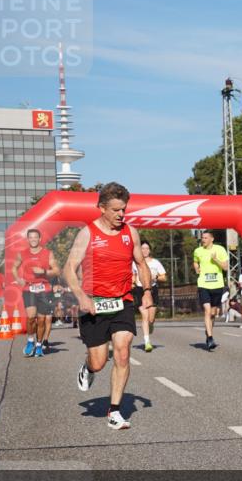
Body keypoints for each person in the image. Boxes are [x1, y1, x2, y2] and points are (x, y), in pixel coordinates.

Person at [63, 182, 153, 431]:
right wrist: (81, 296)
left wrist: (146, 292)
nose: (121, 214)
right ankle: (88, 367)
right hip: (94, 303)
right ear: (101, 208)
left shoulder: (130, 233)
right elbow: (69, 268)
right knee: (99, 361)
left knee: (123, 350)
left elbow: (141, 264)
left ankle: (115, 411)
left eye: (123, 209)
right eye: (115, 210)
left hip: (122, 300)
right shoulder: (88, 233)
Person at [13, 229, 61, 357]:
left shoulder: (48, 253)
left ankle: (39, 345)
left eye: (35, 237)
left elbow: (57, 270)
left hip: (44, 289)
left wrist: (44, 272)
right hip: (29, 288)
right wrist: (18, 279)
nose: (33, 239)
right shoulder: (22, 254)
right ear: (28, 239)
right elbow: (14, 267)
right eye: (31, 237)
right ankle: (30, 341)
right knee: (30, 317)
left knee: (41, 320)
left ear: (40, 239)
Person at [193, 230, 228, 351]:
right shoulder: (198, 251)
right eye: (202, 238)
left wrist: (216, 259)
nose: (203, 240)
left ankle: (208, 332)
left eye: (206, 238)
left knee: (213, 313)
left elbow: (225, 267)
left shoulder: (220, 249)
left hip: (217, 284)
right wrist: (197, 268)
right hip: (203, 284)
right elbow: (195, 261)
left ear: (212, 239)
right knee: (207, 311)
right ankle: (210, 337)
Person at [131, 242, 167, 352]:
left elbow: (164, 278)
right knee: (144, 316)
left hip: (153, 290)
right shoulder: (134, 263)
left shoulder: (155, 263)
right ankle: (147, 342)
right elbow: (133, 276)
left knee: (151, 319)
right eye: (142, 248)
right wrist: (132, 283)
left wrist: (155, 276)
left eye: (147, 248)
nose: (145, 251)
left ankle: (151, 326)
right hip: (139, 290)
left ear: (150, 250)